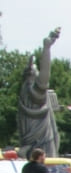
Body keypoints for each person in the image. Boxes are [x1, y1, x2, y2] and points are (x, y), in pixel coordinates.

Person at [18, 28, 61, 159]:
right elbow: (45, 76)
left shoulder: (25, 91)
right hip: (42, 143)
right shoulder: (33, 92)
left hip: (30, 142)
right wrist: (47, 48)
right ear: (31, 75)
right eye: (36, 70)